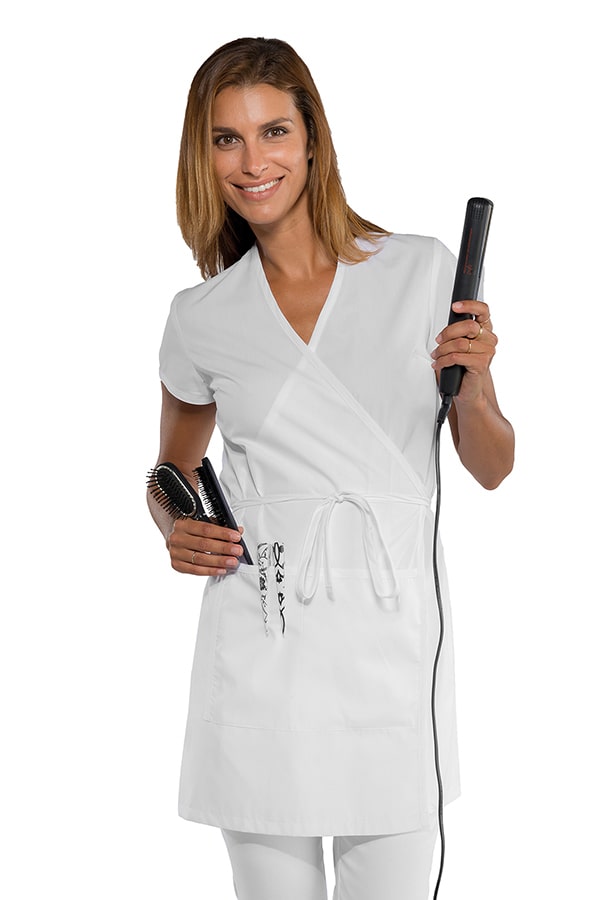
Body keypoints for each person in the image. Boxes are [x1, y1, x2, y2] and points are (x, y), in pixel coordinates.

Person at [148, 36, 514, 900]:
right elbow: (169, 470)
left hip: (392, 650)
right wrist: (176, 527)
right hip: (260, 637)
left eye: (273, 131)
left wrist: (474, 386)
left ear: (311, 139)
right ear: (203, 156)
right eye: (226, 139)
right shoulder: (201, 315)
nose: (252, 162)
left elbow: (492, 466)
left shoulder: (421, 270)